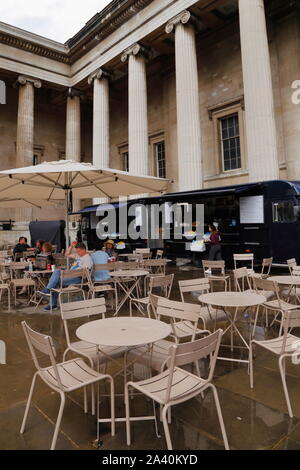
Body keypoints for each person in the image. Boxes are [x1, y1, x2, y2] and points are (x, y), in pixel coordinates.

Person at [38, 242, 93, 311]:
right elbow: (66, 254)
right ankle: (49, 293)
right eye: (77, 251)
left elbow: (85, 273)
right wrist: (71, 246)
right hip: (70, 276)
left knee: (56, 280)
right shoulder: (78, 256)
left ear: (84, 249)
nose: (78, 253)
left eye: (79, 251)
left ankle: (51, 298)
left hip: (78, 279)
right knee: (56, 274)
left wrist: (71, 273)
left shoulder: (87, 258)